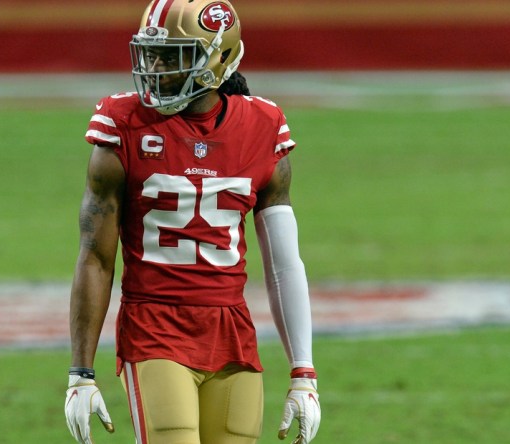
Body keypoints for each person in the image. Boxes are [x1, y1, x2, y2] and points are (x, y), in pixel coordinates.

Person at [64, 1, 321, 443]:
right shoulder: (123, 126)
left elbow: (283, 264)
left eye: (172, 56)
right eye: (152, 54)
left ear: (218, 59)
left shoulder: (262, 126)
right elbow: (96, 258)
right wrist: (81, 372)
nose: (156, 68)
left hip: (232, 331)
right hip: (154, 326)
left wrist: (304, 372)